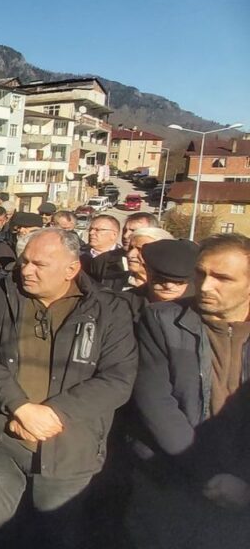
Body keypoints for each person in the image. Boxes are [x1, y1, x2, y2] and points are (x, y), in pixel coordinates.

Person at [0, 228, 138, 548]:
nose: (26, 271)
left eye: (39, 265)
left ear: (72, 270)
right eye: (24, 261)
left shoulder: (108, 308)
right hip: (1, 439)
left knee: (55, 536)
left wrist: (51, 414)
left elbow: (117, 379)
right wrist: (20, 407)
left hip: (71, 446)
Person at [129, 233, 250, 549]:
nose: (206, 286)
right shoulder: (161, 320)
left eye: (222, 278)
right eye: (201, 274)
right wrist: (207, 474)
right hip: (172, 479)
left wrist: (244, 484)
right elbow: (156, 403)